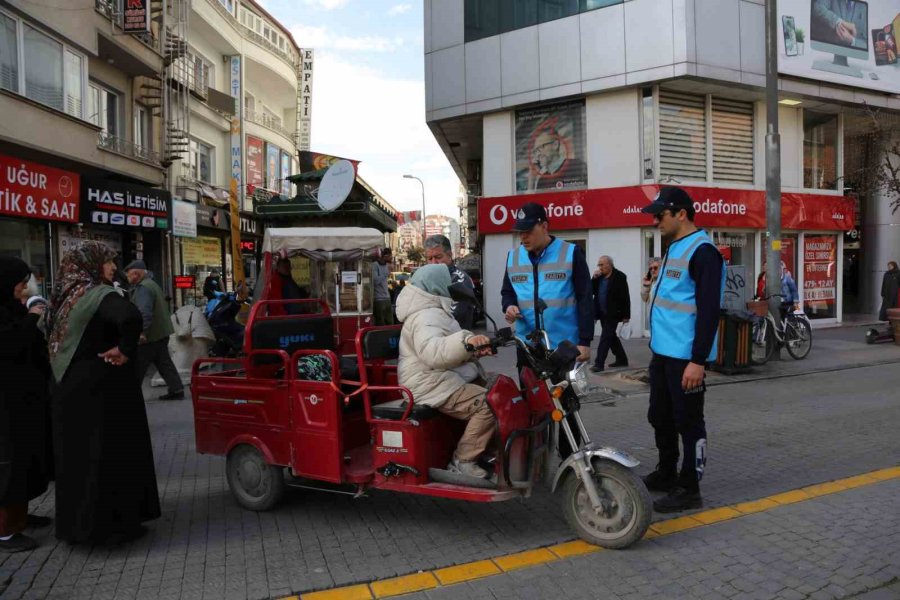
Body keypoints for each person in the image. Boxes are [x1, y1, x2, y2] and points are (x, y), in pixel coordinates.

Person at [45, 242, 160, 544]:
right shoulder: (98, 294)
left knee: (76, 462)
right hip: (99, 390)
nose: (113, 268)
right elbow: (131, 317)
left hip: (66, 389)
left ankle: (76, 529)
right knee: (105, 457)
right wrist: (124, 349)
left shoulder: (64, 295)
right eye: (108, 261)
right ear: (91, 264)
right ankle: (113, 529)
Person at [640, 187, 725, 513]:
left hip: (686, 359)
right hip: (663, 353)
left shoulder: (703, 252)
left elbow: (708, 312)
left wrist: (698, 361)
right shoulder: (675, 248)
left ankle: (689, 488)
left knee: (689, 421)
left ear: (681, 214)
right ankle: (666, 471)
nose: (655, 221)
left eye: (659, 215)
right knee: (659, 416)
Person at [396, 264, 495, 479]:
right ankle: (463, 460)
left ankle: (487, 449)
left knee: (499, 387)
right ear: (437, 285)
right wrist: (467, 341)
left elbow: (447, 350)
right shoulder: (425, 316)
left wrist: (473, 350)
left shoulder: (434, 312)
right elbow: (434, 352)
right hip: (428, 383)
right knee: (489, 404)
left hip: (439, 376)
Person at [0, 258, 52, 553]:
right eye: (21, 283)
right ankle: (5, 531)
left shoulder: (13, 308)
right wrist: (31, 319)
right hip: (6, 402)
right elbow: (8, 343)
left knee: (24, 461)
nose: (24, 289)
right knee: (8, 463)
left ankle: (20, 515)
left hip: (24, 398)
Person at [501, 203, 593, 363]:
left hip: (564, 346)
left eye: (528, 231)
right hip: (527, 346)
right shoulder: (513, 257)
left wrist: (585, 341)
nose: (523, 237)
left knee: (564, 389)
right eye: (520, 232)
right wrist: (509, 306)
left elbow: (585, 298)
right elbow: (508, 292)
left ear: (544, 226)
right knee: (529, 389)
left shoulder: (571, 253)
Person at [124, 260, 184, 401]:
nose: (128, 279)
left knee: (137, 364)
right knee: (163, 362)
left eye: (129, 275)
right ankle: (177, 389)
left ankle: (129, 396)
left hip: (151, 335)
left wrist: (141, 332)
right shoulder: (151, 283)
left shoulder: (144, 288)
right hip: (161, 332)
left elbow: (144, 313)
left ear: (137, 273)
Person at [425, 234, 476, 329]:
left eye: (438, 257)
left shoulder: (460, 279)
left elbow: (454, 315)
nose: (434, 262)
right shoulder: (427, 279)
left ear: (450, 255)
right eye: (430, 258)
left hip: (457, 337)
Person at [590, 255, 631, 372]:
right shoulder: (599, 277)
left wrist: (626, 315)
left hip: (613, 313)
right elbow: (591, 291)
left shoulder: (620, 277)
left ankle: (599, 363)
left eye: (602, 264)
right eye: (599, 264)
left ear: (609, 264)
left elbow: (625, 297)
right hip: (602, 312)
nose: (600, 267)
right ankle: (622, 359)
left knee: (605, 338)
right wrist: (593, 277)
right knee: (611, 337)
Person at [525, 127, 588, 192]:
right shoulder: (542, 180)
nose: (537, 154)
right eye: (536, 151)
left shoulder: (577, 166)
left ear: (555, 145)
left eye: (541, 147)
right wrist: (531, 184)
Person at [373, 247, 393, 326]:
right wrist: (386, 273)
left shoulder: (386, 265)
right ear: (385, 256)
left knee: (390, 322)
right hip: (378, 299)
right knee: (380, 323)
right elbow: (375, 281)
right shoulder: (375, 265)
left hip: (387, 298)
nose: (391, 258)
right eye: (390, 256)